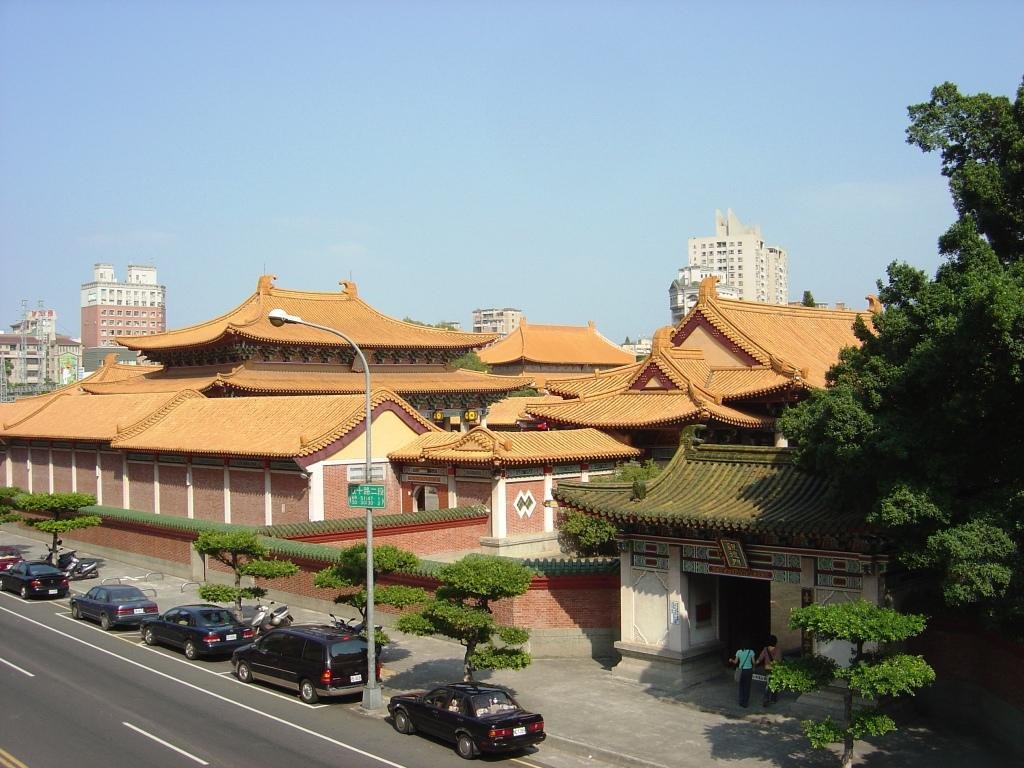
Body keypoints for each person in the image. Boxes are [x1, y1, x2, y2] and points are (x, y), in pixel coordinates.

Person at [730, 642, 757, 707]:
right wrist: (754, 666)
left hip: (741, 671)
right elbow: (754, 662)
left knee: (741, 686)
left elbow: (735, 662)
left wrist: (731, 660)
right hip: (748, 671)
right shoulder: (751, 652)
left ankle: (741, 701)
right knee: (747, 687)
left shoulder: (738, 652)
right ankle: (745, 702)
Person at [756, 634, 781, 706]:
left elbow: (760, 658)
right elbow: (779, 660)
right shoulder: (778, 650)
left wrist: (755, 663)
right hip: (775, 669)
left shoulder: (765, 649)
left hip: (767, 668)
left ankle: (766, 699)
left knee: (768, 683)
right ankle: (773, 698)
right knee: (775, 683)